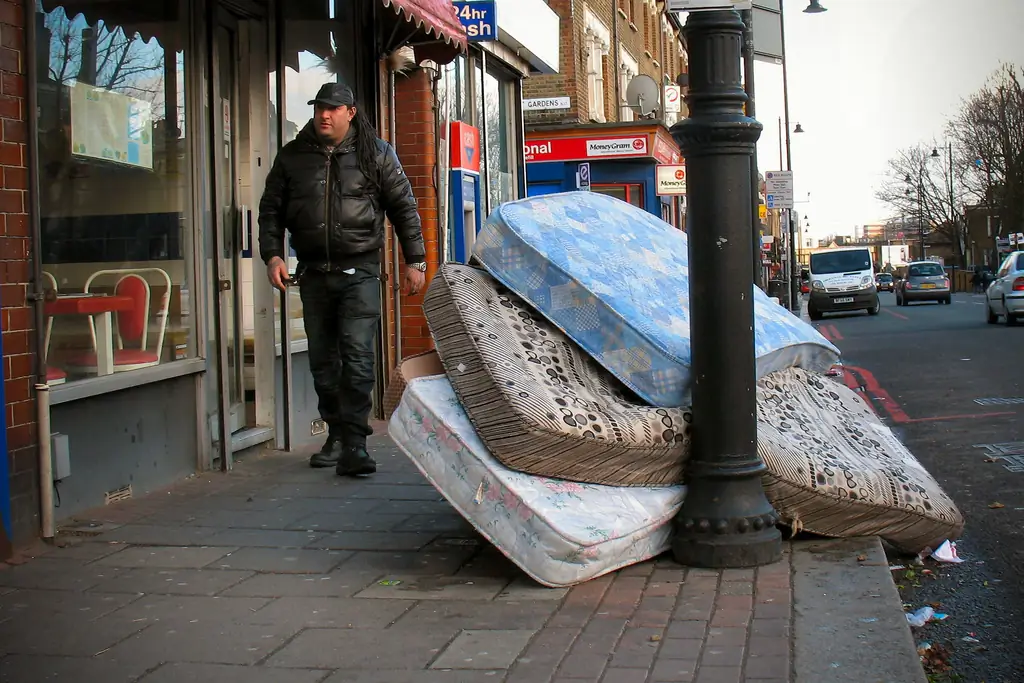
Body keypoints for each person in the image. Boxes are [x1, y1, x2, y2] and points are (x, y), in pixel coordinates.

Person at [258, 82, 427, 476]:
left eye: (332, 109)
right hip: (314, 272)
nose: (324, 115)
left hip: (361, 271)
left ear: (350, 112)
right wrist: (272, 255)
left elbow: (404, 205)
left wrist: (414, 260)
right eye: (319, 108)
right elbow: (271, 209)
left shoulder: (375, 153)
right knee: (323, 359)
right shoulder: (293, 156)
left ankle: (355, 443)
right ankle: (335, 433)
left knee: (357, 354)